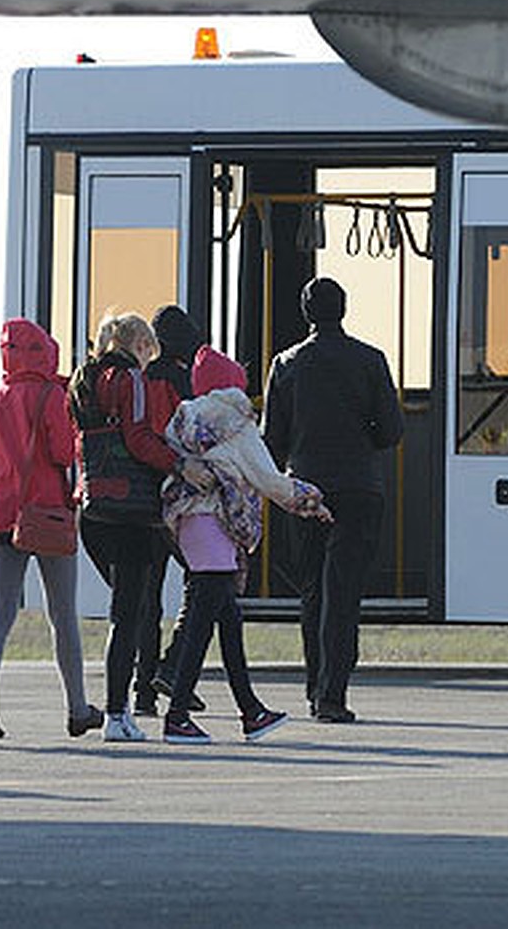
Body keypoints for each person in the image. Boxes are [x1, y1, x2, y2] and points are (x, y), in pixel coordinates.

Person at [161, 346, 330, 745]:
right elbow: (267, 478)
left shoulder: (183, 417)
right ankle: (177, 715)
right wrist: (311, 500)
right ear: (233, 384)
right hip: (217, 524)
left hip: (188, 523)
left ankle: (251, 712)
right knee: (203, 624)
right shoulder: (236, 421)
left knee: (228, 622)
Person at [0, 318, 103, 740]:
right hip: (49, 515)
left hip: (2, 517)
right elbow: (60, 453)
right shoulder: (54, 396)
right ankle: (77, 708)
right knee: (62, 616)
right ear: (46, 352)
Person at [261, 277, 404, 724]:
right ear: (344, 309)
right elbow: (392, 431)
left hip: (306, 489)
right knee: (343, 593)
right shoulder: (371, 360)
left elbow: (273, 439)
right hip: (360, 487)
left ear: (306, 313)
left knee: (313, 591)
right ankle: (332, 695)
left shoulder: (285, 364)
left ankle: (314, 686)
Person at [69, 312, 211, 743]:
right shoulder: (128, 378)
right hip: (132, 510)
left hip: (92, 507)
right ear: (137, 343)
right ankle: (117, 713)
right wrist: (181, 464)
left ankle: (123, 708)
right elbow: (138, 438)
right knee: (127, 618)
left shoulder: (81, 380)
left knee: (126, 611)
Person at [138, 304, 203, 717]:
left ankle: (144, 691)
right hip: (183, 496)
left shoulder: (140, 380)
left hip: (144, 499)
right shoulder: (189, 382)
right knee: (206, 581)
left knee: (147, 598)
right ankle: (176, 666)